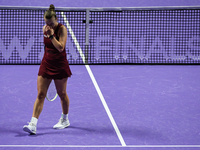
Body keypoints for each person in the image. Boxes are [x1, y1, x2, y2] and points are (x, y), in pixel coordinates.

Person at [23, 4, 72, 134]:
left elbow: (61, 47)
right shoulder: (45, 28)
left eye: (50, 23)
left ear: (56, 19)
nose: (48, 26)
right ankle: (33, 124)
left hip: (60, 65)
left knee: (62, 94)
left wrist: (51, 36)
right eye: (46, 23)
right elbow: (47, 47)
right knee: (40, 94)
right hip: (47, 64)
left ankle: (65, 119)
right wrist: (46, 59)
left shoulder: (62, 29)